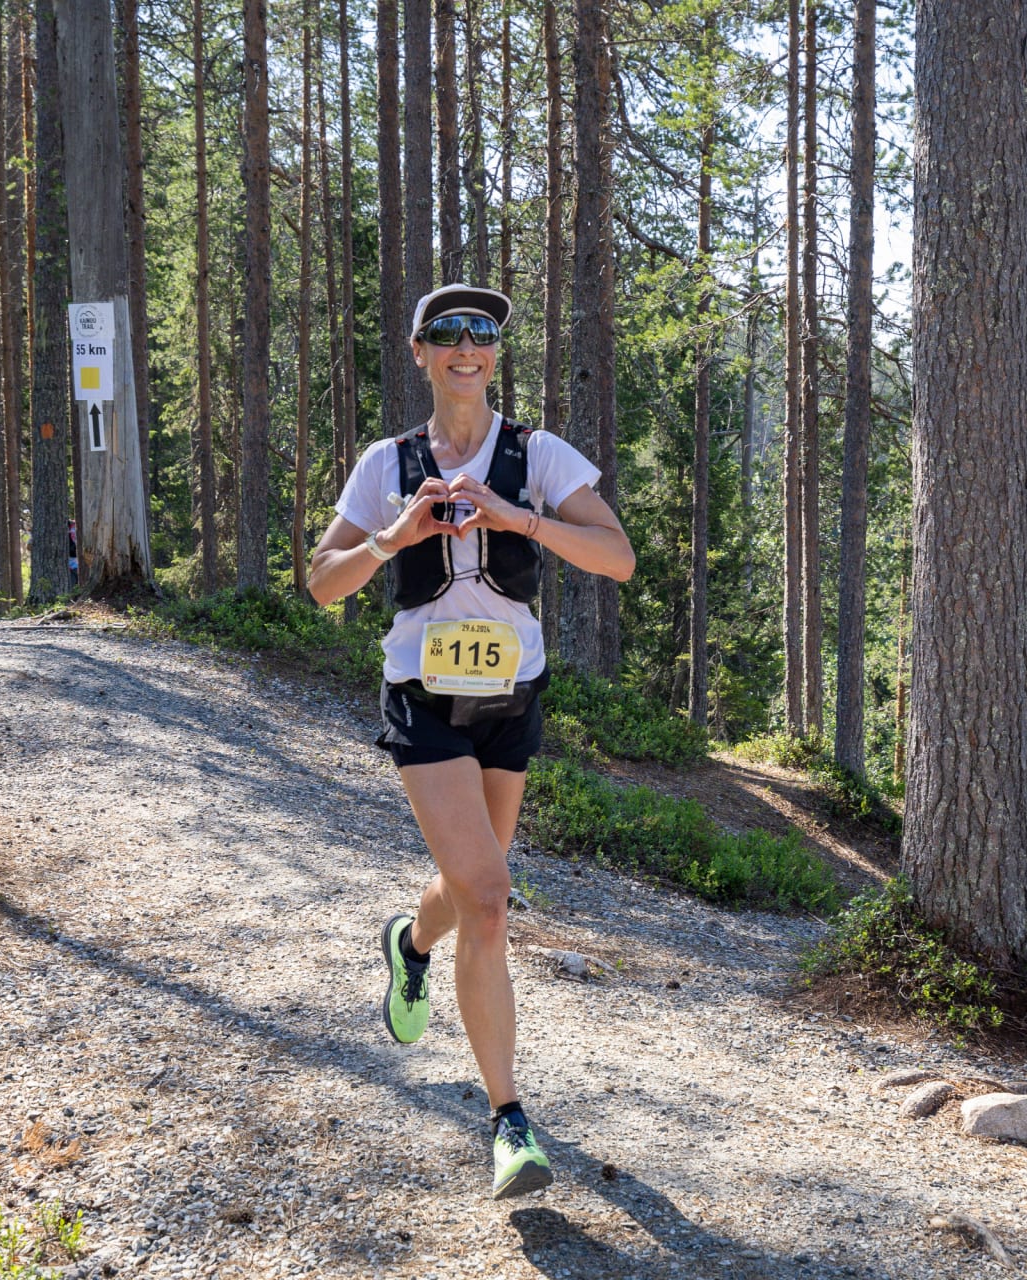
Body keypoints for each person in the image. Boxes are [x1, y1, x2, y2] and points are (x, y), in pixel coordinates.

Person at [307, 284, 634, 1199]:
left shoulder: (537, 455)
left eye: (481, 333)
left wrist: (516, 516)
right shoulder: (388, 462)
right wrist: (392, 535)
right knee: (490, 900)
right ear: (419, 351)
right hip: (423, 696)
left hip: (509, 694)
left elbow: (618, 556)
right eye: (447, 333)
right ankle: (510, 1123)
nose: (465, 347)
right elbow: (321, 583)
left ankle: (409, 948)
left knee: (471, 881)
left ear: (495, 352)